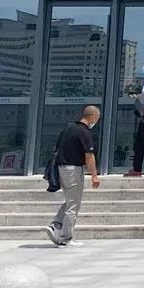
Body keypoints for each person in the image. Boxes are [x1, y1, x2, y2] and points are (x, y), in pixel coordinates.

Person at [42, 105, 101, 247]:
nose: (96, 122)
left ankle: (56, 225)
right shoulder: (84, 132)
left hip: (61, 168)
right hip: (73, 170)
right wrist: (94, 175)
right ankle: (66, 238)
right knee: (74, 204)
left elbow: (57, 148)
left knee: (70, 201)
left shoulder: (68, 128)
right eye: (97, 119)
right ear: (93, 117)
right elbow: (89, 156)